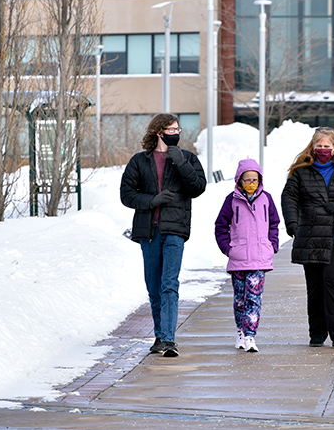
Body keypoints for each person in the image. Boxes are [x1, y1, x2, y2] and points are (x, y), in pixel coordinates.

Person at [120, 113, 207, 357]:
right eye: (171, 129)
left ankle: (169, 339)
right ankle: (160, 335)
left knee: (170, 283)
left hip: (175, 229)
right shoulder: (139, 161)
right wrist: (152, 200)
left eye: (178, 129)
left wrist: (180, 162)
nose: (176, 133)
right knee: (154, 285)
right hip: (149, 231)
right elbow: (126, 194)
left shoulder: (187, 157)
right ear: (159, 132)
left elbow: (198, 188)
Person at [281, 127, 334, 348]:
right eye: (319, 146)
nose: (323, 150)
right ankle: (317, 333)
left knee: (333, 281)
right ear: (313, 147)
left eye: (326, 146)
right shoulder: (301, 172)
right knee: (315, 286)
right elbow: (289, 197)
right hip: (309, 235)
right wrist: (292, 222)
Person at [214, 159, 280, 353]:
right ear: (239, 180)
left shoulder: (266, 199)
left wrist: (272, 245)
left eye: (255, 179)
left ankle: (251, 335)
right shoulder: (231, 200)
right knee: (240, 299)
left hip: (260, 259)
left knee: (254, 298)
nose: (251, 183)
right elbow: (220, 226)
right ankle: (241, 331)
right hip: (238, 258)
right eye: (247, 179)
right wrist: (228, 248)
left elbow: (274, 223)